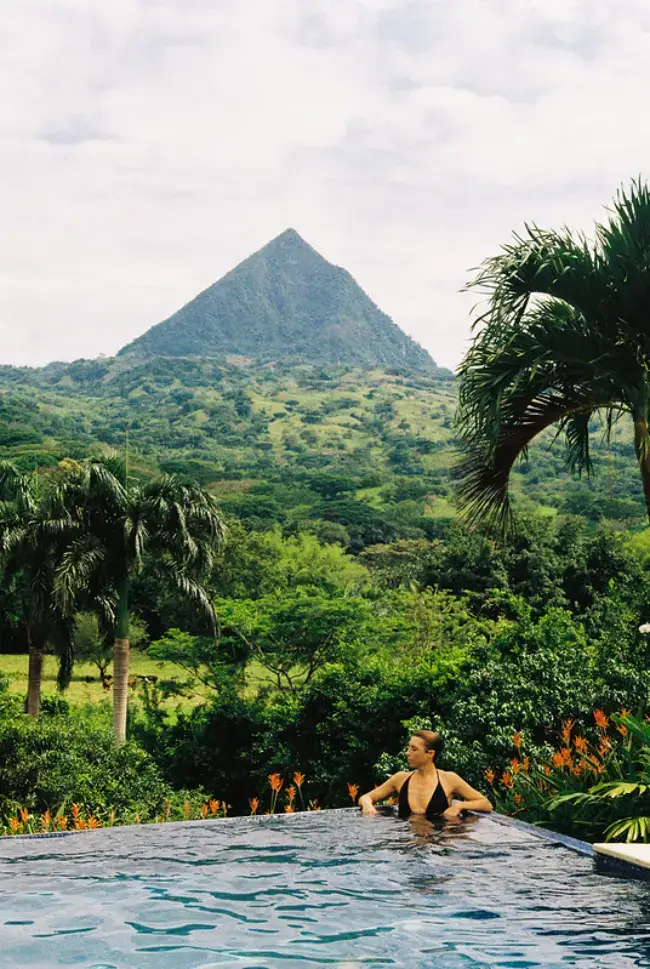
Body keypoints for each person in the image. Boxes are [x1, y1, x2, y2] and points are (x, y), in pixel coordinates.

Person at [358, 730, 492, 820]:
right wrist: (368, 806)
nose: (407, 753)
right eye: (409, 747)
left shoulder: (449, 779)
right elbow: (366, 797)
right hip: (407, 845)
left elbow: (485, 804)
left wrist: (459, 806)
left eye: (414, 749)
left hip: (437, 845)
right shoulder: (400, 779)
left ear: (430, 753)